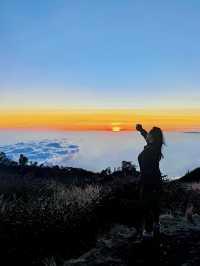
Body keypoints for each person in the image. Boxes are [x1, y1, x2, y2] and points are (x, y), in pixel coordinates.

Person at [136, 124, 165, 239]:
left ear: (152, 137)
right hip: (155, 180)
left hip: (149, 180)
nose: (147, 136)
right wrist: (141, 130)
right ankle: (156, 225)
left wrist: (143, 180)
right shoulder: (155, 146)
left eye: (149, 135)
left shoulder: (151, 150)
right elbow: (146, 137)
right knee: (154, 203)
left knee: (147, 204)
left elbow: (147, 169)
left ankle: (148, 232)